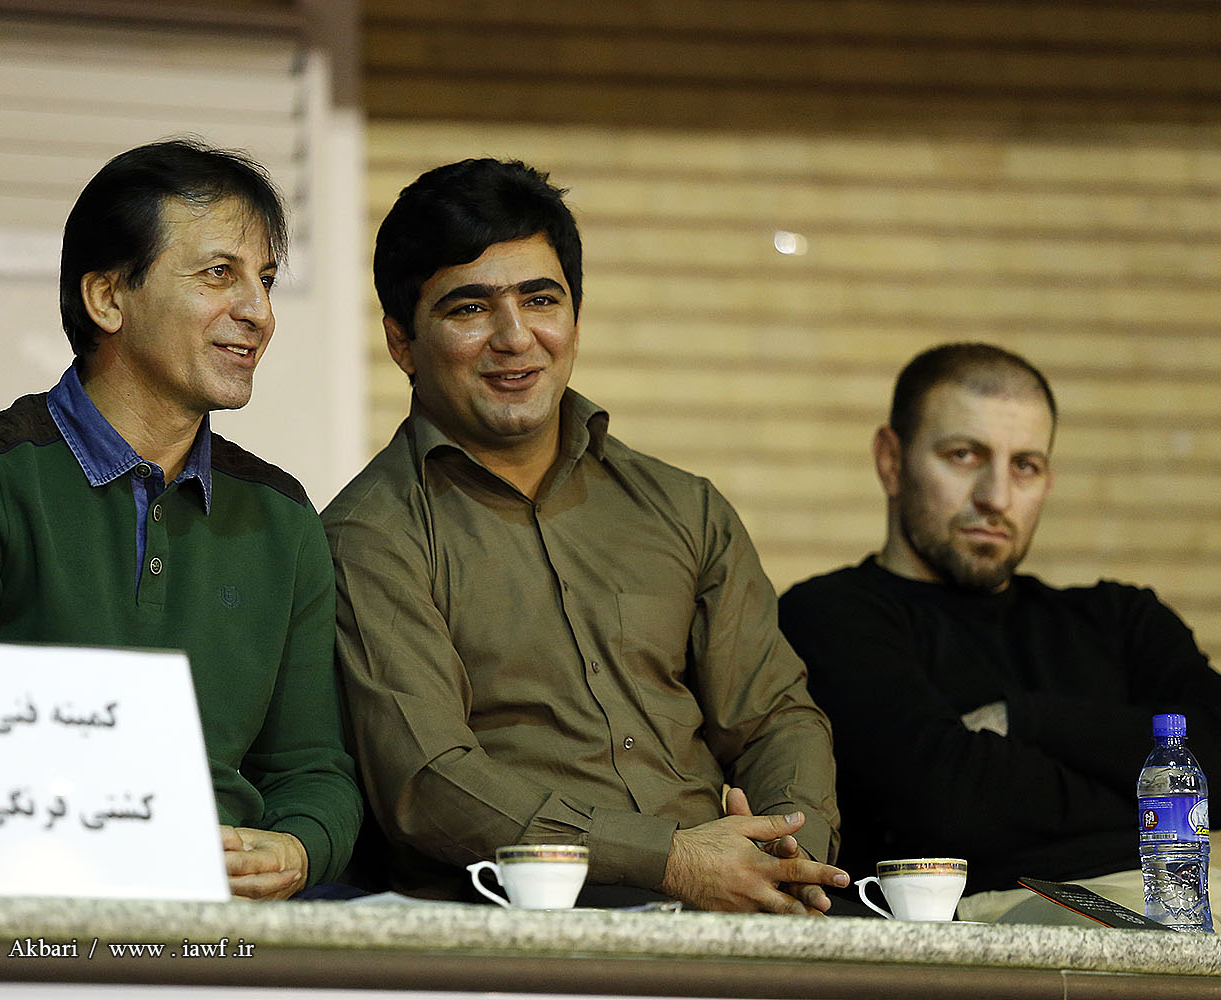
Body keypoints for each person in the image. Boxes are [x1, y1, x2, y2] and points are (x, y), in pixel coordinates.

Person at [323, 158, 847, 913]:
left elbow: (775, 718)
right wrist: (670, 860)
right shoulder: (371, 535)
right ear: (402, 342)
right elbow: (430, 781)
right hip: (527, 930)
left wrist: (787, 855)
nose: (515, 338)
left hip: (738, 911)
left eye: (541, 300)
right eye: (469, 309)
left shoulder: (684, 508)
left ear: (575, 315)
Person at [0, 139, 361, 899]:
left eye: (266, 280)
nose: (259, 312)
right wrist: (118, 843)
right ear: (107, 298)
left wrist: (296, 847)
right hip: (20, 921)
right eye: (220, 274)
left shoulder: (282, 517)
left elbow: (314, 771)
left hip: (226, 928)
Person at [778, 342, 1221, 932]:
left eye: (1025, 466)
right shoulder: (830, 615)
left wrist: (1025, 721)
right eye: (964, 456)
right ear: (890, 460)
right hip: (1009, 910)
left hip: (1205, 894)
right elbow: (950, 807)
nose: (996, 497)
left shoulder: (1119, 617)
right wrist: (1166, 802)